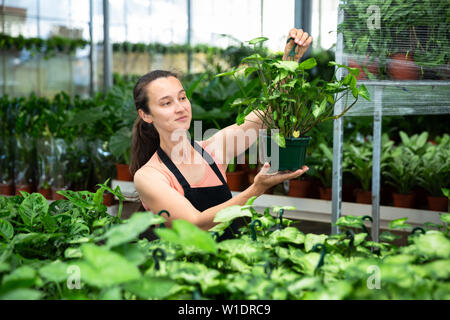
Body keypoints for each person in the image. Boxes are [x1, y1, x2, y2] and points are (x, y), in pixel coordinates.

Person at [131, 28, 313, 231]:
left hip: (232, 257)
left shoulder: (213, 150)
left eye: (182, 97)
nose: (180, 107)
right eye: (166, 103)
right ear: (145, 115)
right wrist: (257, 188)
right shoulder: (149, 176)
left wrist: (290, 59)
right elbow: (194, 224)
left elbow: (269, 111)